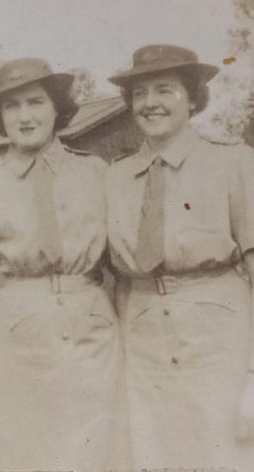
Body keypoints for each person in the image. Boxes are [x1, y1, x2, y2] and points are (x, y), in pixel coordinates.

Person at [0, 58, 126, 471]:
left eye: (36, 102)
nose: (25, 116)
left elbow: (121, 260)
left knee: (93, 446)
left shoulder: (96, 172)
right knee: (24, 449)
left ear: (57, 107)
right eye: (12, 106)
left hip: (89, 324)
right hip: (20, 326)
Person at [106, 44, 254, 469]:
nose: (150, 103)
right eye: (140, 94)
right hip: (144, 347)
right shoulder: (115, 177)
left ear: (193, 97)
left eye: (165, 90)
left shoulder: (235, 163)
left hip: (220, 344)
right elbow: (116, 278)